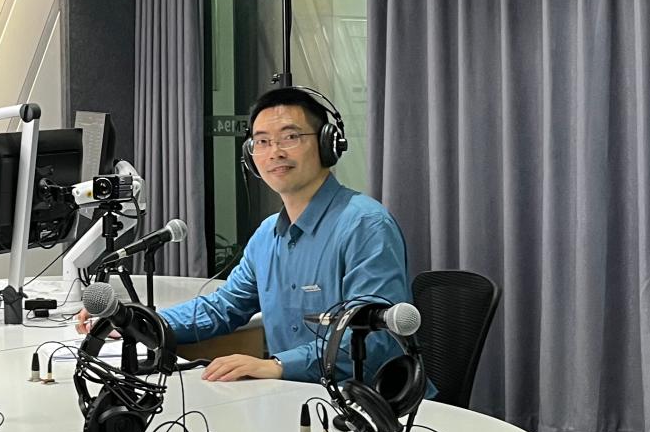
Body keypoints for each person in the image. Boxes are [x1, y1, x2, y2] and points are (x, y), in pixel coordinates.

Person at [81, 86, 414, 386]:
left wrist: (278, 365)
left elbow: (374, 338)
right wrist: (133, 321)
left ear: (328, 144)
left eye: (290, 137)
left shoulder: (365, 225)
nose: (275, 152)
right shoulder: (267, 236)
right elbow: (223, 308)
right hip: (296, 400)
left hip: (377, 408)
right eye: (262, 142)